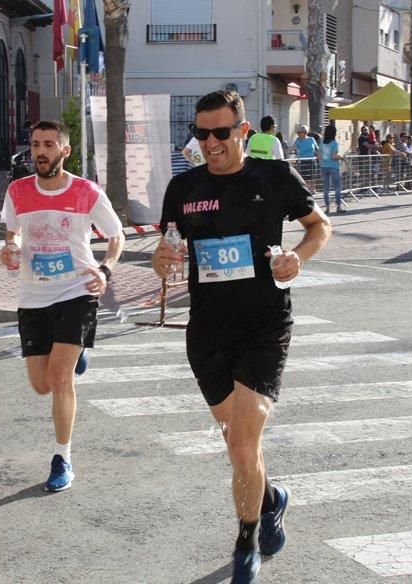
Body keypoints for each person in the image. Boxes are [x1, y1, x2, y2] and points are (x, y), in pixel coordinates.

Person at [151, 90, 331, 583]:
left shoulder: (272, 177)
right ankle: (272, 498)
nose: (210, 142)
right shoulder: (183, 188)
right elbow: (166, 250)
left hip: (264, 326)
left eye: (220, 132)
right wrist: (161, 261)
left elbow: (319, 227)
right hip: (207, 331)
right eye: (201, 133)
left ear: (243, 131)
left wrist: (299, 256)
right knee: (239, 443)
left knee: (241, 445)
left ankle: (245, 542)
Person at [0, 120, 125, 492]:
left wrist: (106, 269)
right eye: (36, 144)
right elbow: (12, 234)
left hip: (77, 291)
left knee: (59, 379)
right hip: (33, 296)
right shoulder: (18, 191)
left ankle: (62, 459)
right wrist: (10, 251)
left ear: (64, 151)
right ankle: (77, 352)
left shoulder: (87, 191)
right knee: (41, 386)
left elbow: (116, 236)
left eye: (49, 144)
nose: (41, 151)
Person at [320, 124, 344, 213]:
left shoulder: (322, 142)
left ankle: (327, 208)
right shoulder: (334, 143)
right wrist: (341, 157)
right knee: (337, 188)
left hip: (324, 166)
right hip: (333, 167)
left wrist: (322, 163)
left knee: (326, 189)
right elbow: (334, 157)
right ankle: (338, 207)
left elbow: (319, 155)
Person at [290, 124, 320, 192]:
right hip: (302, 162)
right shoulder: (297, 141)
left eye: (300, 132)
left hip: (311, 161)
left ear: (305, 132)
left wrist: (319, 157)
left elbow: (317, 149)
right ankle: (306, 191)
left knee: (312, 177)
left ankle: (312, 191)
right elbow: (292, 148)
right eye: (298, 132)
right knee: (304, 177)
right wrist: (284, 150)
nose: (298, 134)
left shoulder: (311, 139)